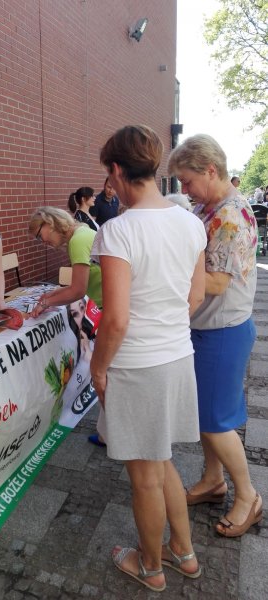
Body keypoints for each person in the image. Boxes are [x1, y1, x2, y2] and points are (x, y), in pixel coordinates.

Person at [90, 125, 206, 593]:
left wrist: (98, 368)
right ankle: (185, 554)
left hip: (137, 367)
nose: (109, 184)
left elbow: (116, 319)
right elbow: (195, 297)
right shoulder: (191, 222)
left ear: (117, 170)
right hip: (178, 357)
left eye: (109, 175)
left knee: (144, 477)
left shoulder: (117, 231)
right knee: (162, 462)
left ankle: (151, 566)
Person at [168, 134, 262, 538]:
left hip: (222, 330)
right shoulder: (211, 208)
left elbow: (217, 283)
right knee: (206, 416)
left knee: (215, 420)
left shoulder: (228, 215)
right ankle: (212, 480)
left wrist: (162, 271)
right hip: (212, 328)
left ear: (210, 170)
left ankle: (249, 496)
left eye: (186, 180)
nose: (183, 189)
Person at [28, 207, 102, 316]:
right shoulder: (80, 232)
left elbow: (78, 291)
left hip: (109, 307)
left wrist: (46, 303)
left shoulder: (77, 240)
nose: (42, 242)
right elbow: (79, 285)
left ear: (49, 222)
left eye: (39, 236)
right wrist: (52, 294)